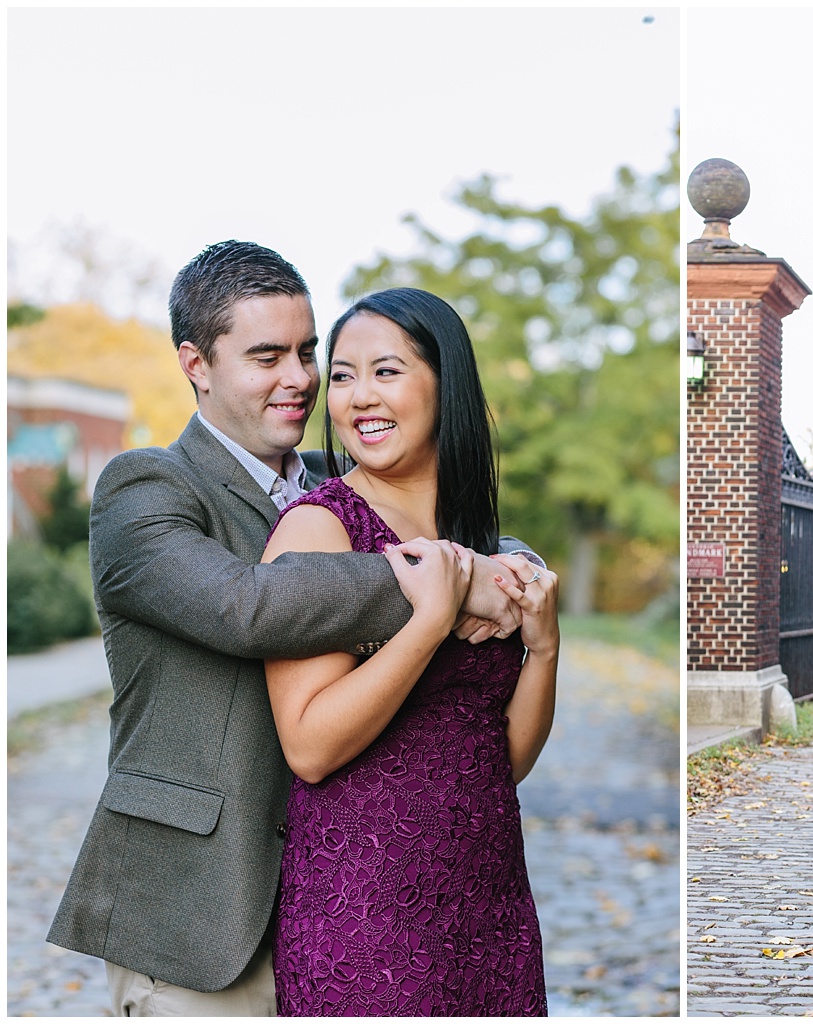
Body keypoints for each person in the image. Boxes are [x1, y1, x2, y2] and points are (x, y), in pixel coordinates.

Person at [46, 241, 538, 1017]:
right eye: (267, 355)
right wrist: (460, 581)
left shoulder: (338, 477)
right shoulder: (143, 490)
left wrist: (516, 566)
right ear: (196, 364)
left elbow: (441, 509)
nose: (301, 379)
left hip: (351, 893)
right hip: (201, 913)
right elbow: (247, 606)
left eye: (310, 353)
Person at [260, 287, 558, 1015]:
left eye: (386, 371)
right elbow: (308, 746)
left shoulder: (487, 548)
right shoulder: (319, 530)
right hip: (363, 918)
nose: (360, 396)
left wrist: (544, 649)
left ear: (444, 384)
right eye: (343, 375)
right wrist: (429, 623)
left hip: (490, 913)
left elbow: (503, 758)